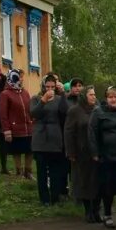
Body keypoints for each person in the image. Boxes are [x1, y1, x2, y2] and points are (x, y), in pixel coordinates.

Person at [89, 86, 116, 228]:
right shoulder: (98, 112)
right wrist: (94, 153)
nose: (114, 99)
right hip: (105, 157)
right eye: (110, 97)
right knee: (107, 188)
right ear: (106, 98)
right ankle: (107, 214)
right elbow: (92, 133)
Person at [30, 74, 69, 206]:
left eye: (52, 87)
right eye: (47, 87)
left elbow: (65, 111)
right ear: (43, 87)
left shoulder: (59, 99)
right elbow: (34, 113)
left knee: (55, 171)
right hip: (40, 137)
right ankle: (44, 198)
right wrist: (43, 101)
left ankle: (55, 196)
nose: (50, 89)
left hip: (55, 137)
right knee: (41, 171)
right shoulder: (36, 98)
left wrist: (63, 94)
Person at [64, 85, 100, 223]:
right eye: (91, 94)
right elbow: (68, 132)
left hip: (96, 151)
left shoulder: (97, 109)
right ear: (85, 96)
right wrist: (70, 151)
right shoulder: (75, 111)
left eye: (94, 94)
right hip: (81, 152)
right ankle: (88, 211)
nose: (94, 97)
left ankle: (96, 210)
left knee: (96, 182)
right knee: (83, 181)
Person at [0, 70, 33, 179]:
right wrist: (6, 129)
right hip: (15, 128)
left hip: (28, 127)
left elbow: (30, 109)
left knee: (29, 150)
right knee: (17, 151)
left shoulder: (25, 92)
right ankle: (19, 172)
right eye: (20, 77)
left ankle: (28, 172)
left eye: (22, 77)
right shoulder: (5, 94)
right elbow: (3, 113)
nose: (22, 79)